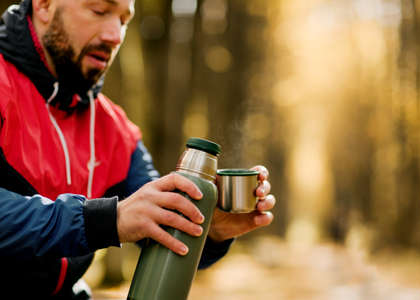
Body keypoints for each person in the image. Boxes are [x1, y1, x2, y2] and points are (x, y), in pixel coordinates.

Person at [0, 0, 276, 299]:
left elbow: (159, 225)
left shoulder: (116, 130)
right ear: (44, 5)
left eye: (123, 19)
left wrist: (209, 231)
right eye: (99, 11)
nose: (115, 35)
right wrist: (106, 220)